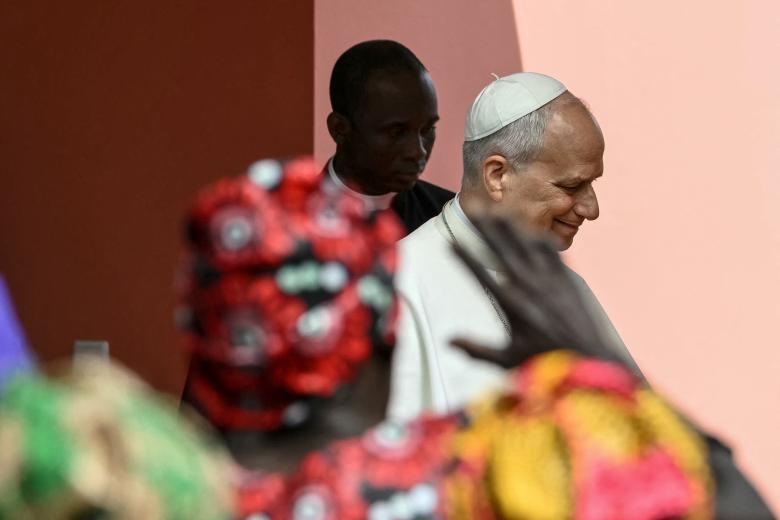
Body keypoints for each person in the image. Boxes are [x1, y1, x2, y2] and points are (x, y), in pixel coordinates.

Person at [388, 72, 639, 421]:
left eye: (592, 183)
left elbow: (636, 422)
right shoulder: (400, 282)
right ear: (497, 176)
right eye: (572, 187)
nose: (591, 209)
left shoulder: (565, 286)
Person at [325, 40, 455, 233]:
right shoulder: (290, 225)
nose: (417, 151)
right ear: (339, 129)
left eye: (427, 130)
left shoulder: (452, 221)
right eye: (397, 132)